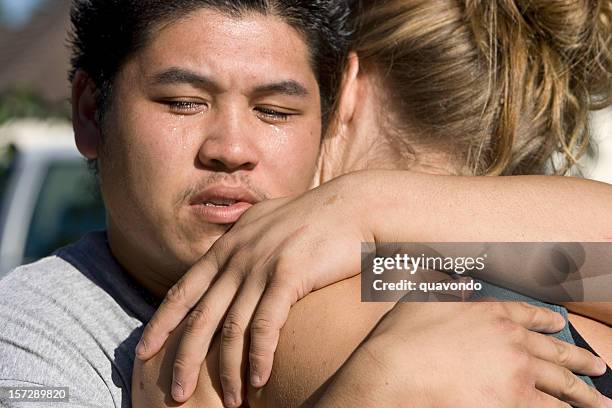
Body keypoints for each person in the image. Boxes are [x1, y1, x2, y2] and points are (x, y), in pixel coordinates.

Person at [0, 0, 607, 407]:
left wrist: (369, 206)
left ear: (340, 100)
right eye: (182, 101)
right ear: (89, 111)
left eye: (275, 111)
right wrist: (369, 391)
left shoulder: (391, 268)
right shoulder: (36, 333)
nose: (231, 149)